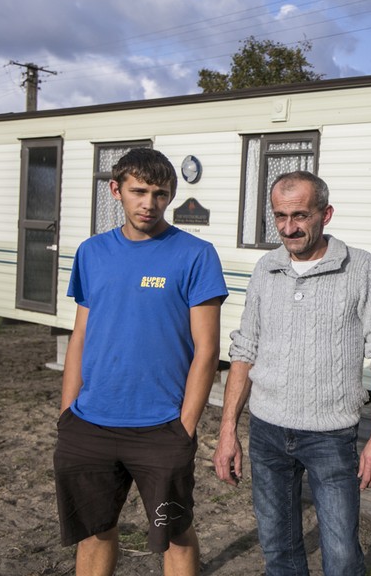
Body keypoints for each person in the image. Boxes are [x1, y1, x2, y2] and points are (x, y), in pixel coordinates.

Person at [213, 170, 371, 575]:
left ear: (326, 214)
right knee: (278, 553)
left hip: (331, 436)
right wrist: (228, 428)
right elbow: (245, 348)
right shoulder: (266, 268)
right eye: (279, 216)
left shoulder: (359, 267)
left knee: (342, 558)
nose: (288, 227)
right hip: (266, 432)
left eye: (300, 215)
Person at [54, 148, 228, 576]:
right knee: (95, 531)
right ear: (116, 190)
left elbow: (207, 349)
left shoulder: (195, 254)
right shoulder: (92, 252)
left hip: (161, 427)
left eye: (160, 193)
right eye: (139, 191)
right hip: (90, 423)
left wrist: (185, 425)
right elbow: (81, 336)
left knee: (175, 534)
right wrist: (67, 413)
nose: (149, 202)